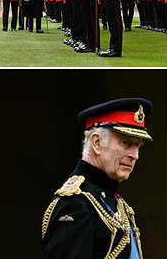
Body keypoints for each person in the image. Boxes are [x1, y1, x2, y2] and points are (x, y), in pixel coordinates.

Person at [42, 97, 153, 259]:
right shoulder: (75, 204)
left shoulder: (114, 202)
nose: (135, 155)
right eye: (126, 143)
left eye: (138, 146)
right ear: (96, 142)